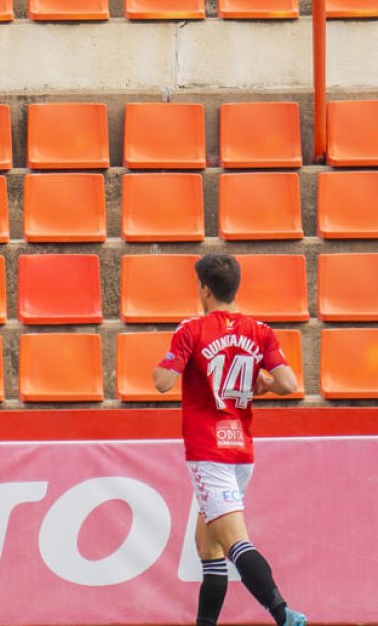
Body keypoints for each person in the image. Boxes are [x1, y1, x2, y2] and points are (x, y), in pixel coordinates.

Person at [152, 254, 306, 626]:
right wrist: (265, 384)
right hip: (241, 452)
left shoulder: (193, 329)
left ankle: (282, 612)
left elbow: (162, 382)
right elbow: (288, 384)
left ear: (205, 289)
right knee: (208, 546)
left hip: (208, 452)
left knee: (236, 543)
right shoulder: (260, 331)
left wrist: (172, 364)